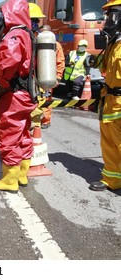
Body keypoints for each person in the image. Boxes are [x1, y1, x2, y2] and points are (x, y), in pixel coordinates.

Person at [0, 0, 38, 193]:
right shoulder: (28, 34)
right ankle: (22, 175)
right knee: (23, 134)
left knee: (9, 134)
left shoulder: (14, 36)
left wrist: (5, 84)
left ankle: (10, 180)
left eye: (2, 15)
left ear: (9, 15)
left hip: (13, 95)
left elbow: (8, 64)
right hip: (26, 93)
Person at [89, 0, 121, 192]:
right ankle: (112, 178)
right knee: (109, 142)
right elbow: (105, 68)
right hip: (110, 100)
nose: (107, 20)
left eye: (111, 15)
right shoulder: (114, 42)